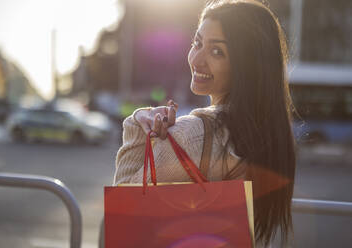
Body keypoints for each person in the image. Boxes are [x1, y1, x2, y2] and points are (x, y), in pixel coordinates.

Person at [113, 0, 296, 247]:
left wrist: (136, 124)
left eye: (217, 51)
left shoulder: (193, 134)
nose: (197, 59)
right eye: (197, 43)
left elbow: (124, 205)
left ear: (246, 65)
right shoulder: (267, 135)